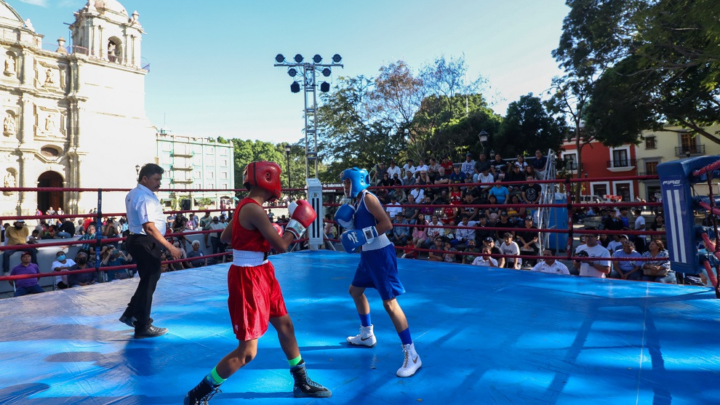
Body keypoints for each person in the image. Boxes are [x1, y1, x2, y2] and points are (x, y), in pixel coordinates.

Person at [184, 161, 331, 403]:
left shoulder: (246, 206)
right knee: (247, 352)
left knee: (285, 326)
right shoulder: (253, 209)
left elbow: (225, 236)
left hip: (262, 272)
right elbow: (282, 246)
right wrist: (297, 224)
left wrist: (261, 231)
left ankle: (301, 381)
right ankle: (198, 394)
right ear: (269, 179)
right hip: (248, 278)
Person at [336, 167, 422, 378]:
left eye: (348, 182)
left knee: (390, 304)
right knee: (355, 291)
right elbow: (359, 234)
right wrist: (350, 229)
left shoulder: (369, 198)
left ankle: (412, 355)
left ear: (357, 181)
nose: (345, 186)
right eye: (344, 183)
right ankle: (367, 334)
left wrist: (362, 235)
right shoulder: (354, 203)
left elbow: (387, 224)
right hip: (367, 256)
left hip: (381, 256)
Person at [119, 163, 182, 339]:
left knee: (147, 281)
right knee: (149, 283)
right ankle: (142, 325)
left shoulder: (134, 193)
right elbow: (149, 228)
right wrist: (170, 247)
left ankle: (131, 314)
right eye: (156, 179)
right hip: (145, 241)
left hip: (138, 240)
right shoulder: (144, 197)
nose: (159, 183)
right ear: (145, 178)